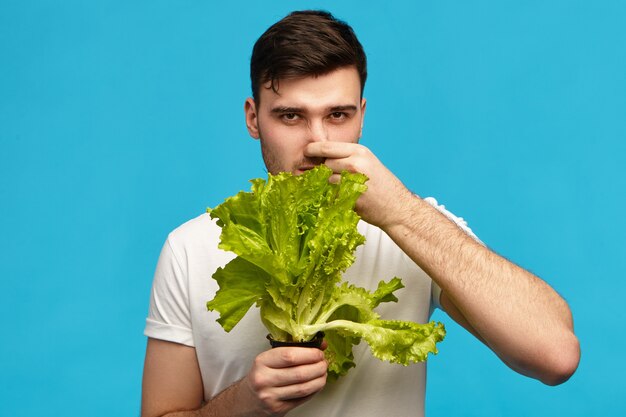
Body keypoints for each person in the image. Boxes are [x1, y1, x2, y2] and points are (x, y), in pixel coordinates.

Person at [141, 10, 580, 417]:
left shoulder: (410, 225)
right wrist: (244, 402)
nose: (317, 143)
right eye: (290, 116)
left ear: (362, 117)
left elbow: (555, 356)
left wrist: (401, 214)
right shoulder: (190, 247)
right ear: (253, 119)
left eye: (338, 115)